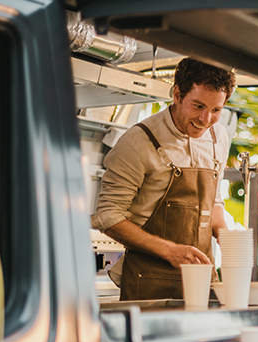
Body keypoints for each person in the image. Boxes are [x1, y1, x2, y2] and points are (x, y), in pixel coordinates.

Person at [92, 57, 236, 301]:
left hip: (202, 282)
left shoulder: (218, 137)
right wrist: (169, 251)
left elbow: (213, 200)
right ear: (177, 95)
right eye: (198, 106)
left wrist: (226, 237)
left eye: (216, 110)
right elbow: (108, 216)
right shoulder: (138, 141)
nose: (205, 120)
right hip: (148, 285)